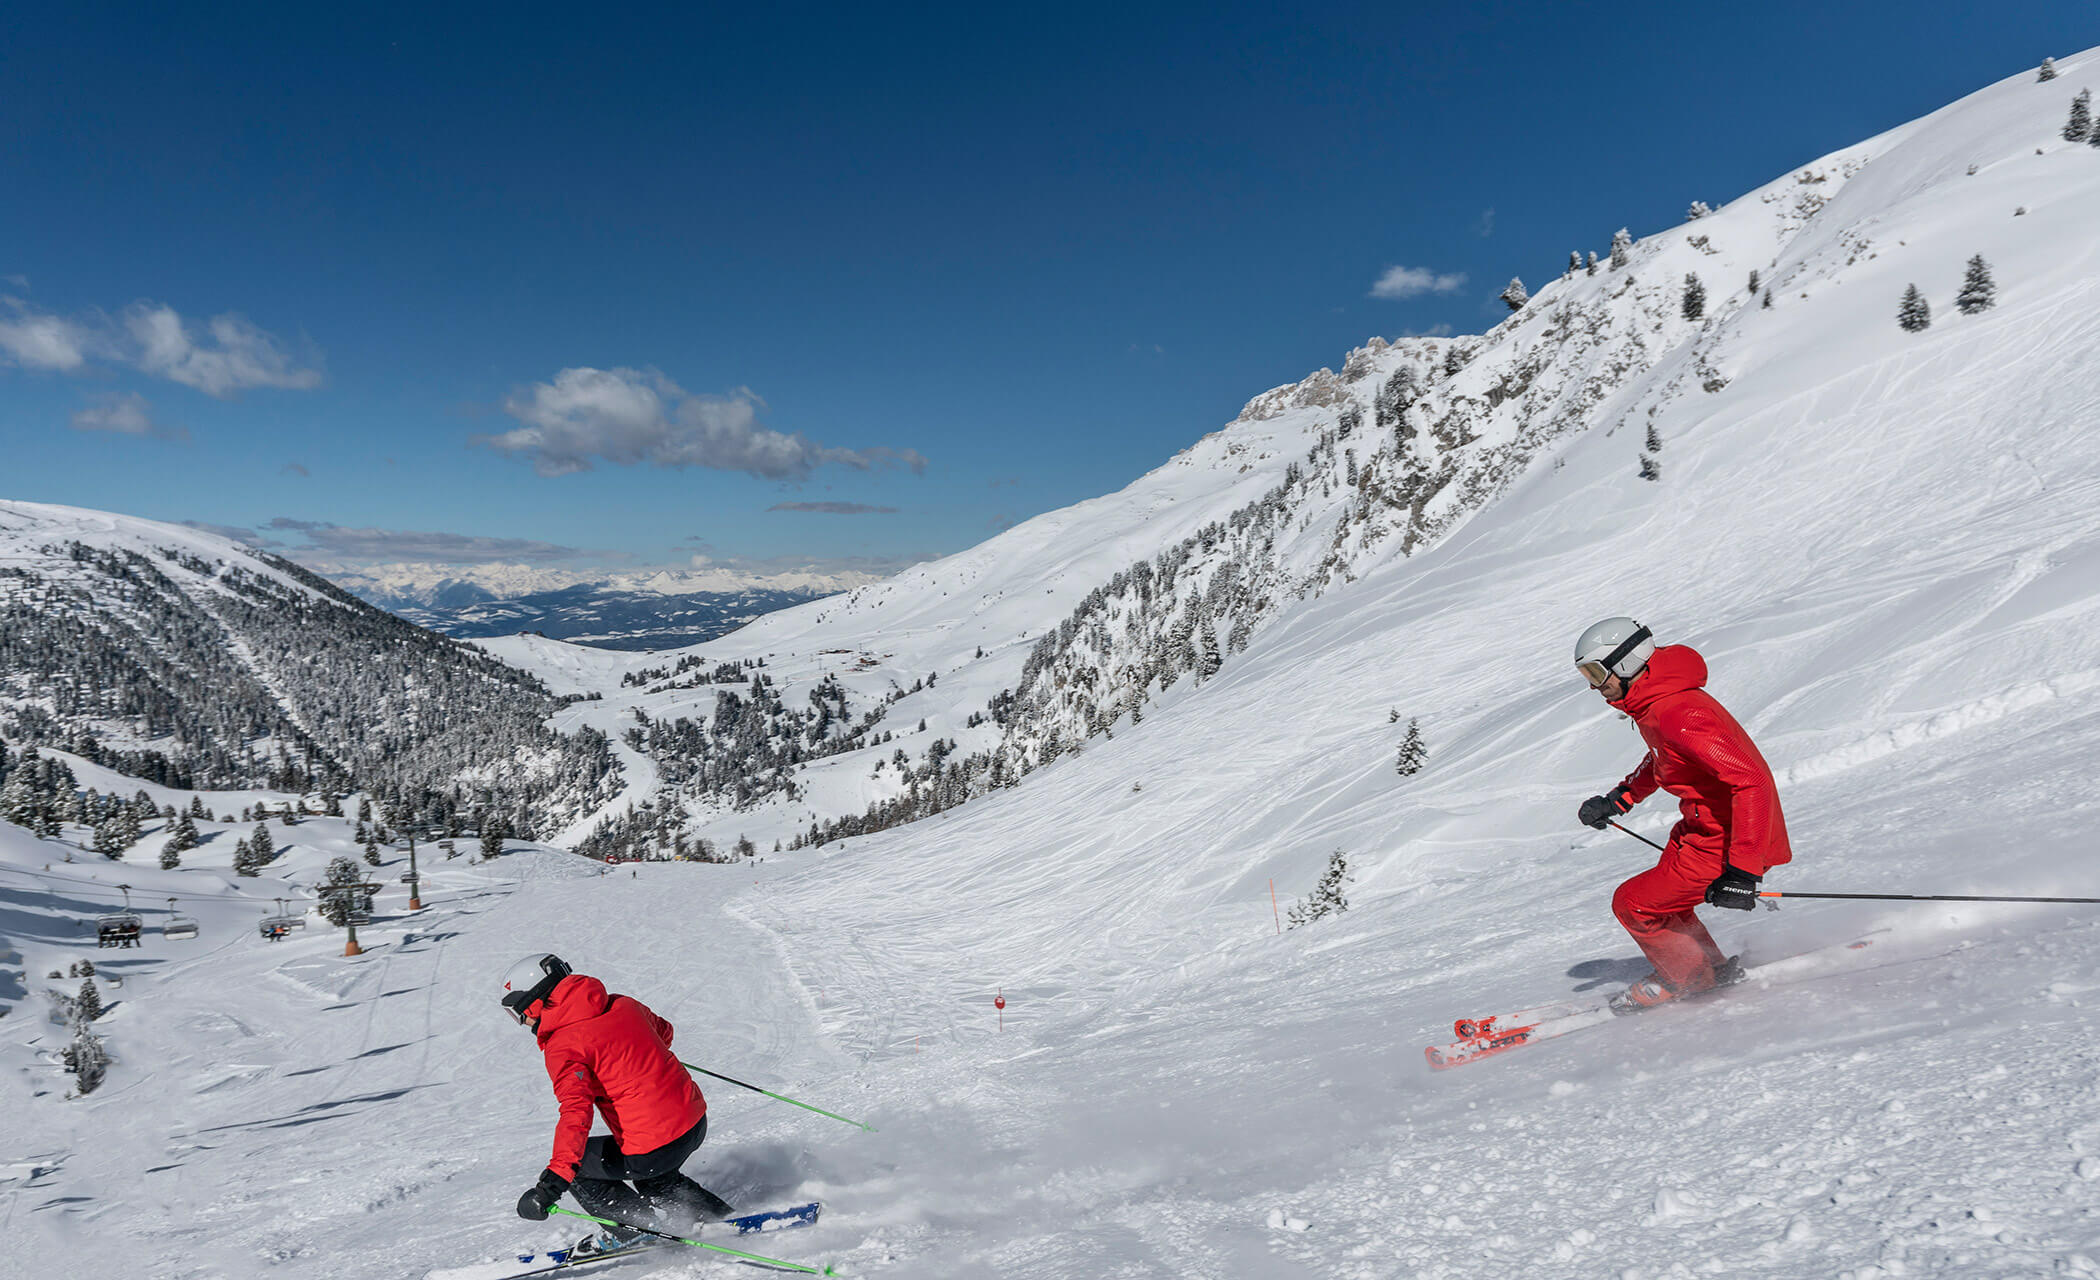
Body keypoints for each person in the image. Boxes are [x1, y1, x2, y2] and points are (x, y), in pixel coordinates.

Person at [1572, 618, 1791, 1013]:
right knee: (1663, 903)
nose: (1592, 684)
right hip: (1699, 831)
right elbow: (1665, 758)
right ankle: (1711, 969)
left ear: (1625, 664)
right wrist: (1619, 799)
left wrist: (1743, 871)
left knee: (1633, 904)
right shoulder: (1658, 705)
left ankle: (1688, 980)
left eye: (1595, 672)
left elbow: (1752, 782)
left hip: (1724, 841)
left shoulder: (1677, 711)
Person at [503, 954, 735, 1253]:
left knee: (583, 1167)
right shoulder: (622, 1003)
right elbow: (665, 1032)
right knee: (652, 1177)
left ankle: (639, 1231)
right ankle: (717, 1218)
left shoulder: (564, 1045)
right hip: (694, 1121)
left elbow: (576, 1112)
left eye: (517, 1012)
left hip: (655, 1147)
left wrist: (551, 1185)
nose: (522, 1022)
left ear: (534, 1001)